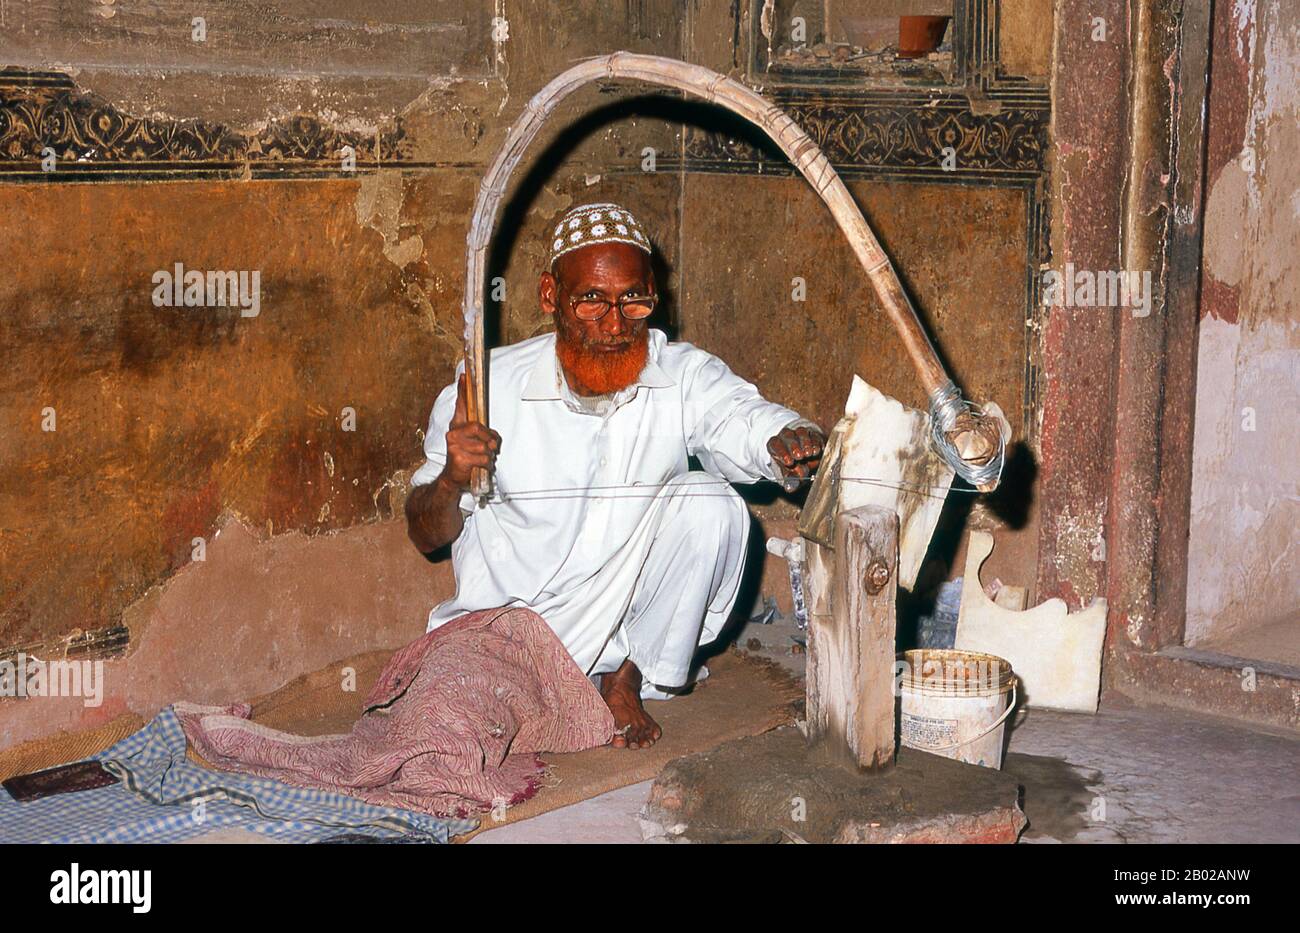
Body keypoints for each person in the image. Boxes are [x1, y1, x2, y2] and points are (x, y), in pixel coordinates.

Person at [406, 202, 824, 749]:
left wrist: (782, 438)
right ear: (551, 297)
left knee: (711, 504)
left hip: (621, 630)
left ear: (653, 293)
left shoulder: (679, 372)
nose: (614, 324)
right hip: (508, 635)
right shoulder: (486, 388)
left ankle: (625, 677)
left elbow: (738, 416)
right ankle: (549, 691)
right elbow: (425, 533)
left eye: (633, 299)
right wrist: (452, 479)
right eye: (591, 302)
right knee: (445, 736)